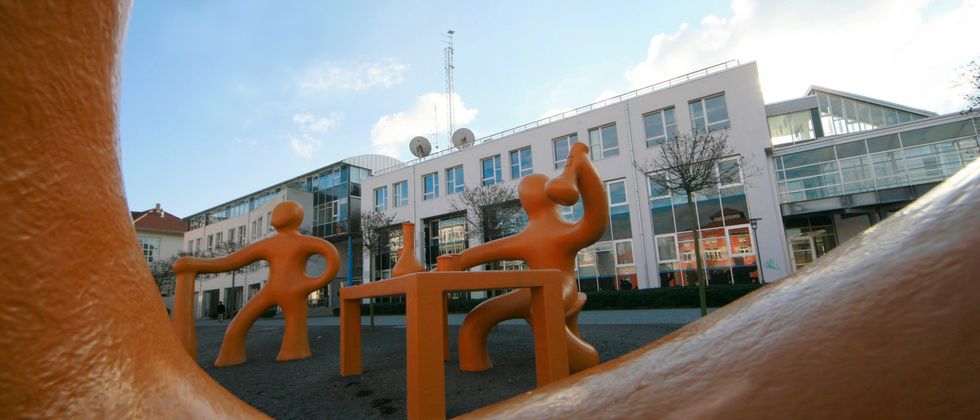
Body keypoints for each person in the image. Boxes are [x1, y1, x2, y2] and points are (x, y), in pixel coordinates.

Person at [456, 142, 607, 374]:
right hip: (541, 290)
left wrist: (581, 167)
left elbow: (475, 254)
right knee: (478, 318)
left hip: (559, 288)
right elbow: (596, 220)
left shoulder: (547, 235)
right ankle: (581, 357)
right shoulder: (542, 235)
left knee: (483, 318)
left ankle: (584, 359)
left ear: (525, 203)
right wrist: (583, 166)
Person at [174, 201, 340, 367]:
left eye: (282, 211)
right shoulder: (270, 244)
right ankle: (231, 356)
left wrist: (310, 285)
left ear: (296, 217)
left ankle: (292, 351)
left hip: (293, 292)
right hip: (273, 290)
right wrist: (196, 264)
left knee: (287, 331)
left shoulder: (302, 242)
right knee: (236, 328)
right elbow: (230, 261)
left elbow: (332, 257)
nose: (276, 215)